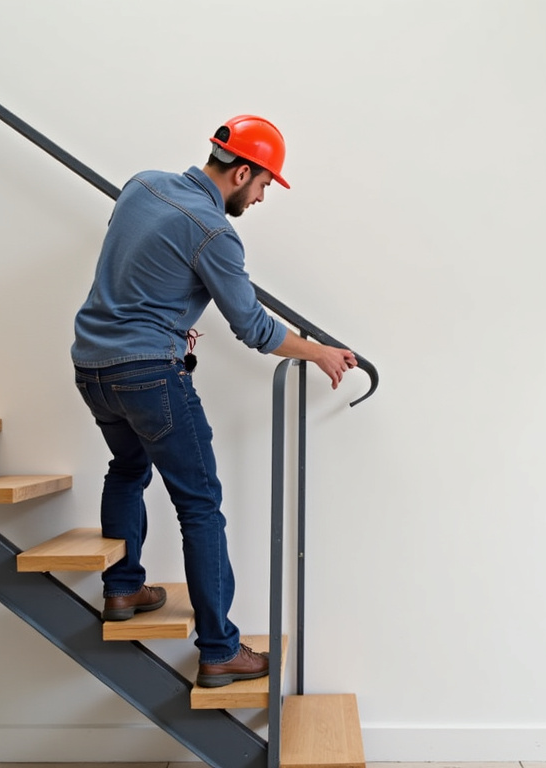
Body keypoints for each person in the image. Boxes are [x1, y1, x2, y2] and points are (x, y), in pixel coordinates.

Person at [71, 115, 356, 688]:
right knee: (200, 505)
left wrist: (173, 321)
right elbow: (253, 327)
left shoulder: (142, 184)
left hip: (91, 365)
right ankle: (221, 650)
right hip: (150, 375)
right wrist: (318, 351)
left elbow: (139, 261)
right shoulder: (214, 231)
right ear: (243, 170)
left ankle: (124, 589)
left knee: (128, 468)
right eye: (264, 185)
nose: (262, 196)